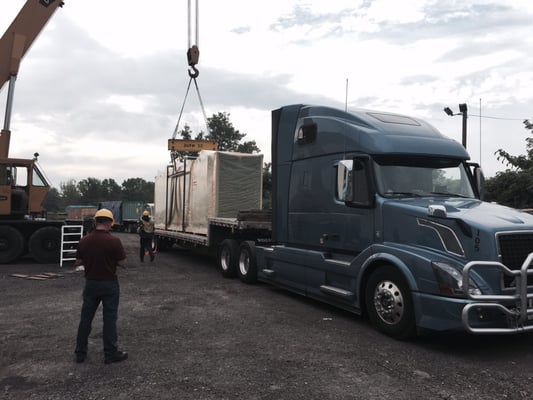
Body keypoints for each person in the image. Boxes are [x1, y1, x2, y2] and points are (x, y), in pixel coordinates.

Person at [74, 208, 128, 364]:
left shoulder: (84, 240)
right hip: (109, 284)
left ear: (96, 222)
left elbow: (77, 262)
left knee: (86, 319)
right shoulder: (114, 241)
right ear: (110, 223)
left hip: (91, 283)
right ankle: (110, 353)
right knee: (109, 319)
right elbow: (123, 264)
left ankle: (80, 353)